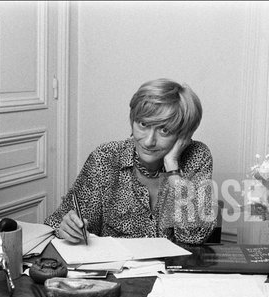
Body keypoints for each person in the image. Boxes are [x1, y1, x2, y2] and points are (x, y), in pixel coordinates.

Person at [44, 78, 217, 244]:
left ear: (183, 134)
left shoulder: (197, 156)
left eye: (164, 130)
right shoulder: (105, 158)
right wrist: (66, 228)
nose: (149, 141)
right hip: (118, 270)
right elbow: (56, 224)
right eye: (143, 124)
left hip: (172, 272)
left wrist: (172, 168)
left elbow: (194, 237)